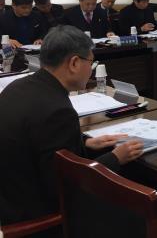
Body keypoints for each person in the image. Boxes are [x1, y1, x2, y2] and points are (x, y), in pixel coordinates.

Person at [0, 25, 143, 225]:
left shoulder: (19, 86)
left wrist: (84, 145)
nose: (91, 70)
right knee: (138, 209)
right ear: (74, 63)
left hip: (10, 198)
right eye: (91, 62)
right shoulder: (57, 111)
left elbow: (44, 150)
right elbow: (70, 187)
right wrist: (115, 158)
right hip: (36, 218)